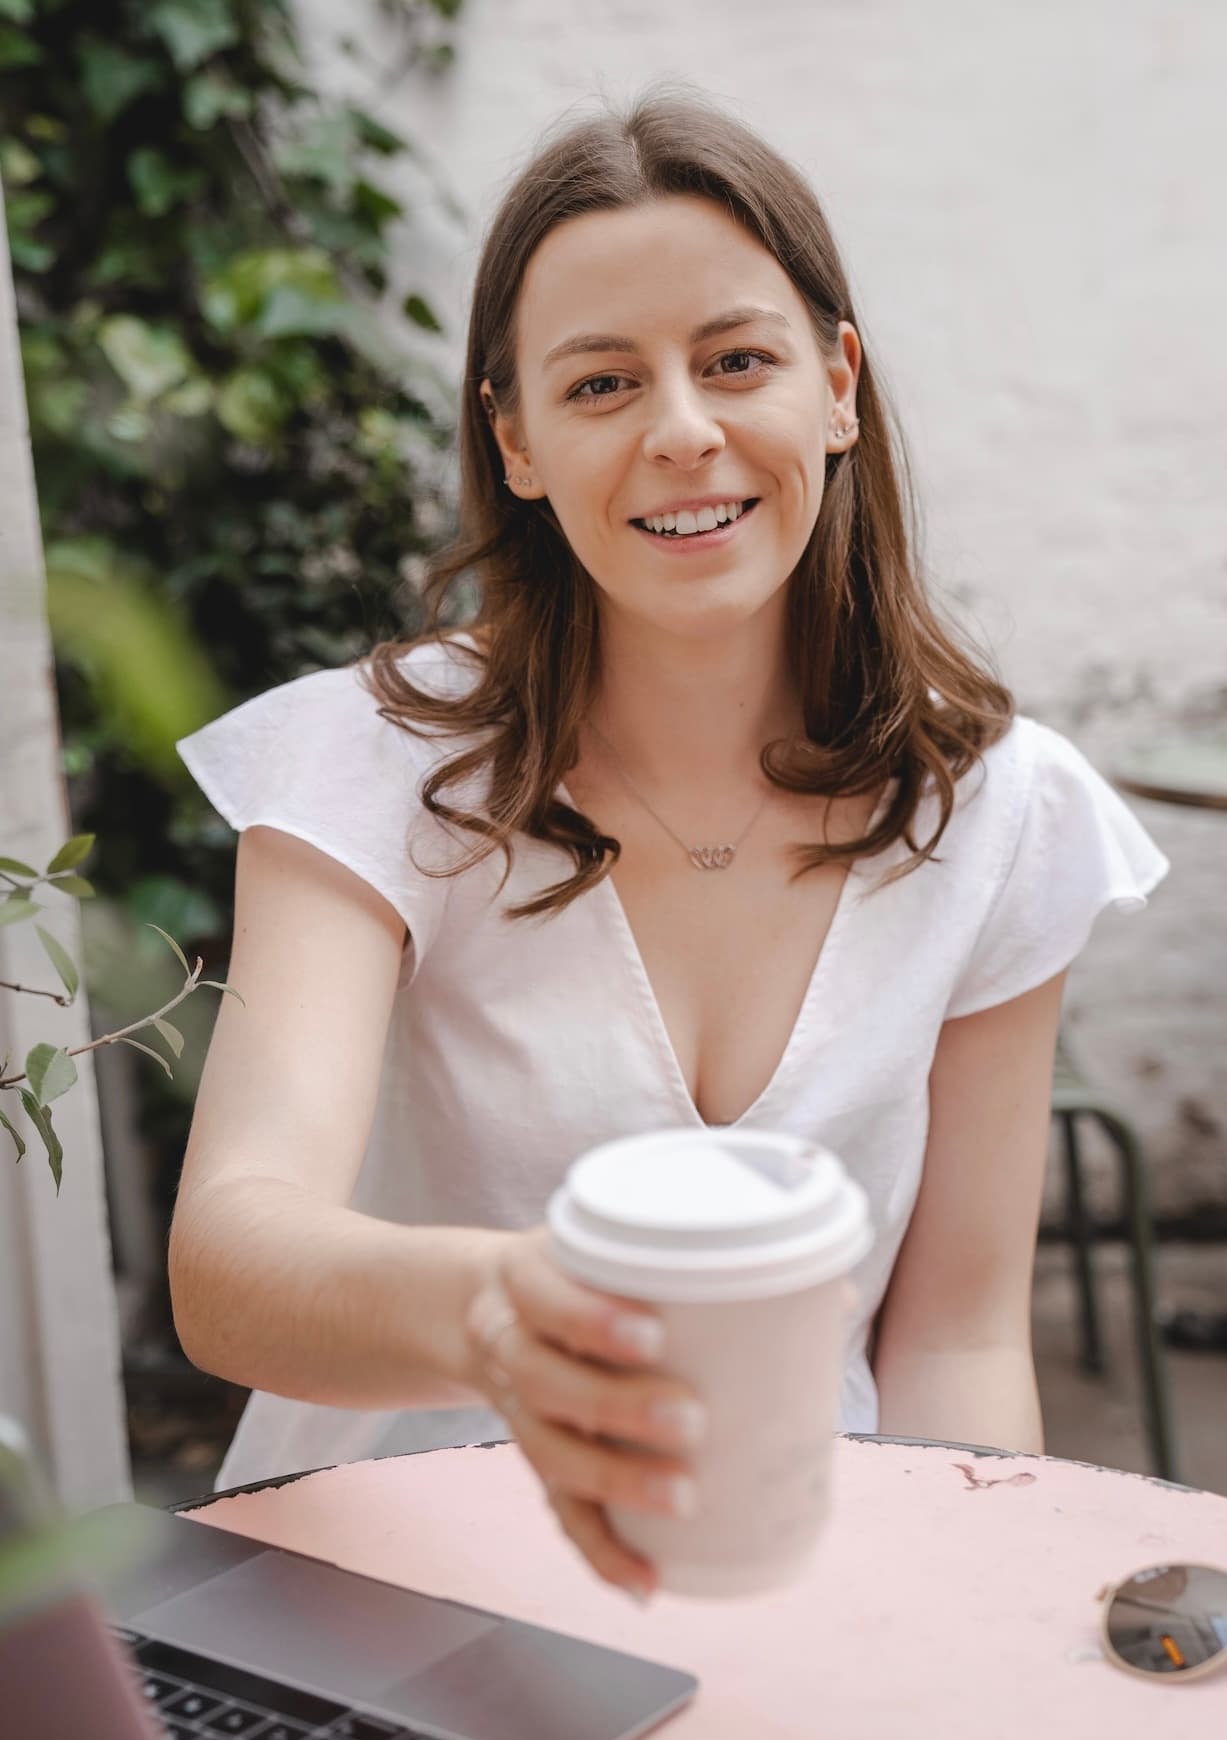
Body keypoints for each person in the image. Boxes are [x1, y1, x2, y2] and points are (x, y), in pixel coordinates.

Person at [170, 88, 1168, 1600]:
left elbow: (956, 1335)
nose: (683, 432)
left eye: (737, 360)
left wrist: (984, 1615)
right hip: (384, 1581)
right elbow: (233, 1267)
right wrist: (512, 1305)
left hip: (795, 1577)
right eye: (601, 385)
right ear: (514, 440)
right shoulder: (372, 761)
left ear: (837, 387)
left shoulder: (1000, 810)